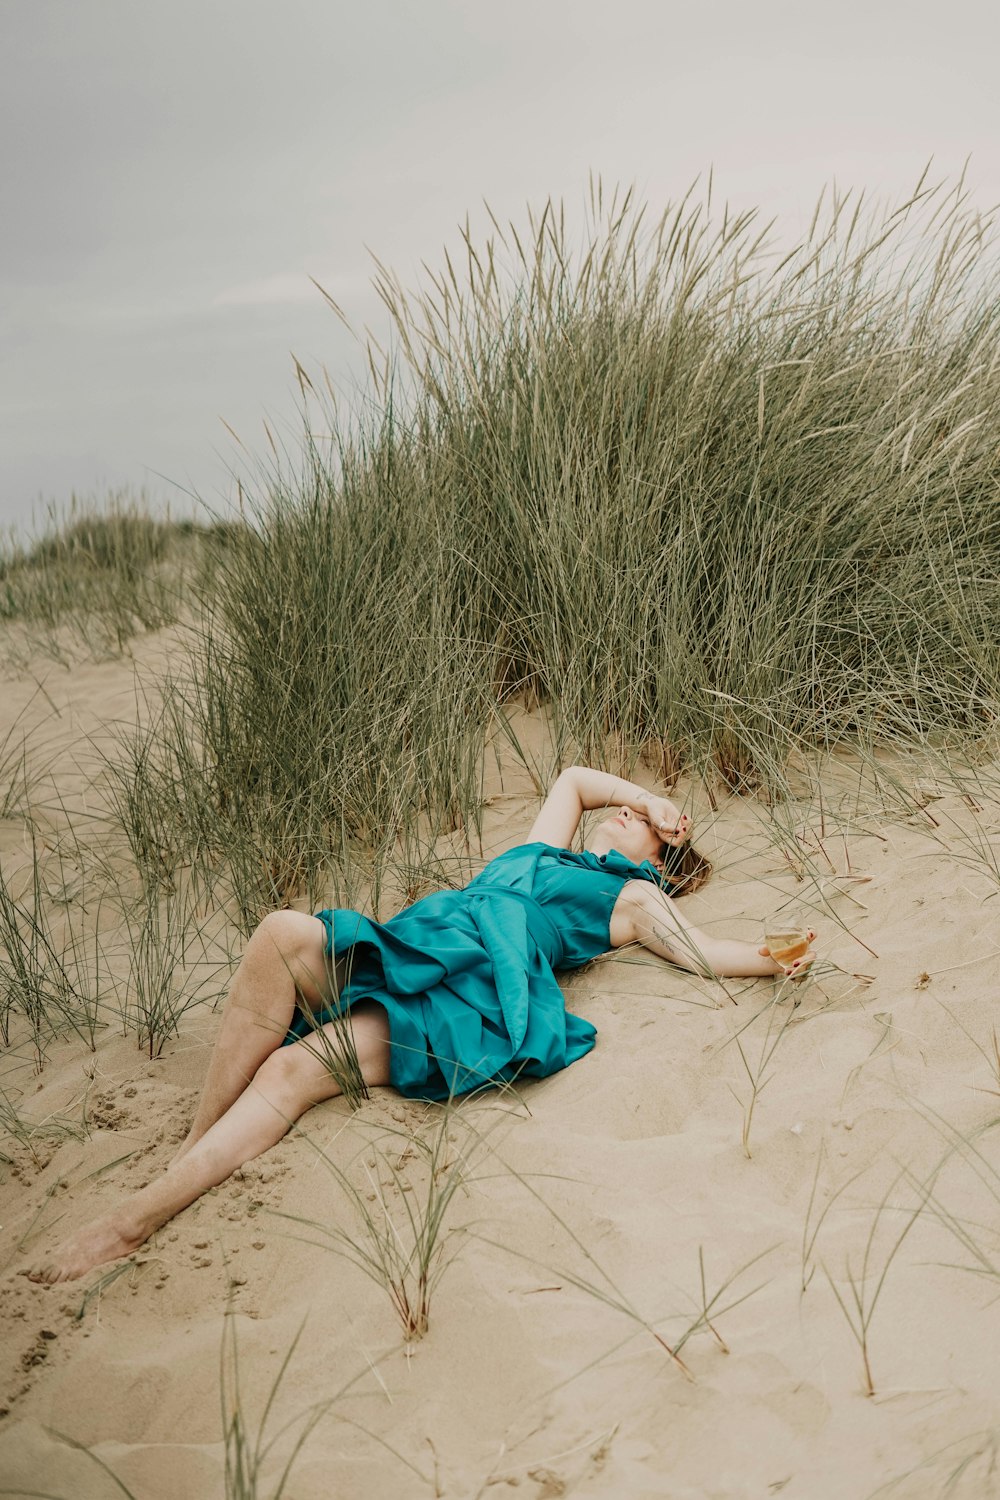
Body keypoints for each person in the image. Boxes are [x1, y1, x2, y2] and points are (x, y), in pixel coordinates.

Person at [27, 765, 814, 1283]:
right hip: (420, 941)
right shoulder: (544, 850)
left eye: (641, 823)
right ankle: (189, 1155)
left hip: (469, 986)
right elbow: (574, 779)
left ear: (661, 858)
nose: (626, 816)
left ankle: (133, 1222)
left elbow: (702, 952)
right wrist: (642, 794)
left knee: (293, 1073)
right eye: (630, 811)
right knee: (279, 936)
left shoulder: (635, 898)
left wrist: (772, 957)